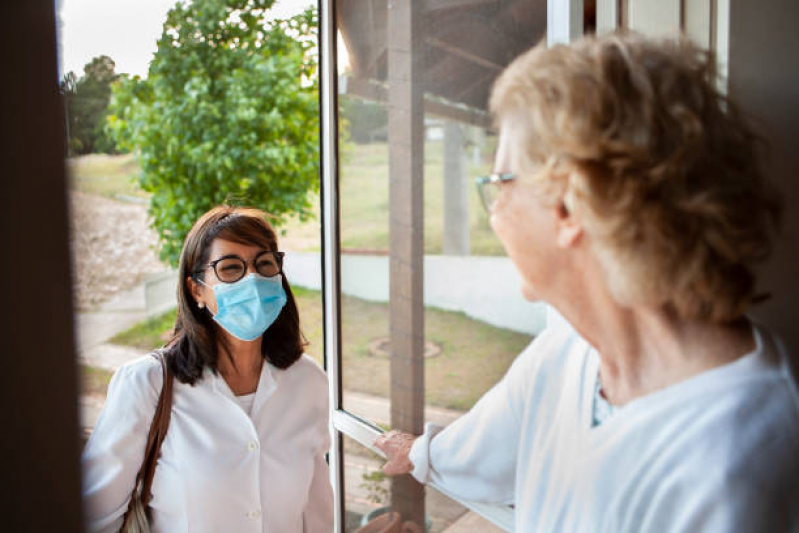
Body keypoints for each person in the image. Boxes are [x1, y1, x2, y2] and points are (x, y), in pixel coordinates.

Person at [375, 33, 799, 531]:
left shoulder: (733, 463)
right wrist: (419, 450)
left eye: (500, 184)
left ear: (569, 204)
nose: (496, 217)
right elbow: (479, 450)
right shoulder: (565, 354)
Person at [83, 206, 333, 532]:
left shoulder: (308, 382)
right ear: (196, 289)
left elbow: (316, 518)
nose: (253, 280)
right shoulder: (148, 384)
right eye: (231, 269)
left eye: (265, 264)